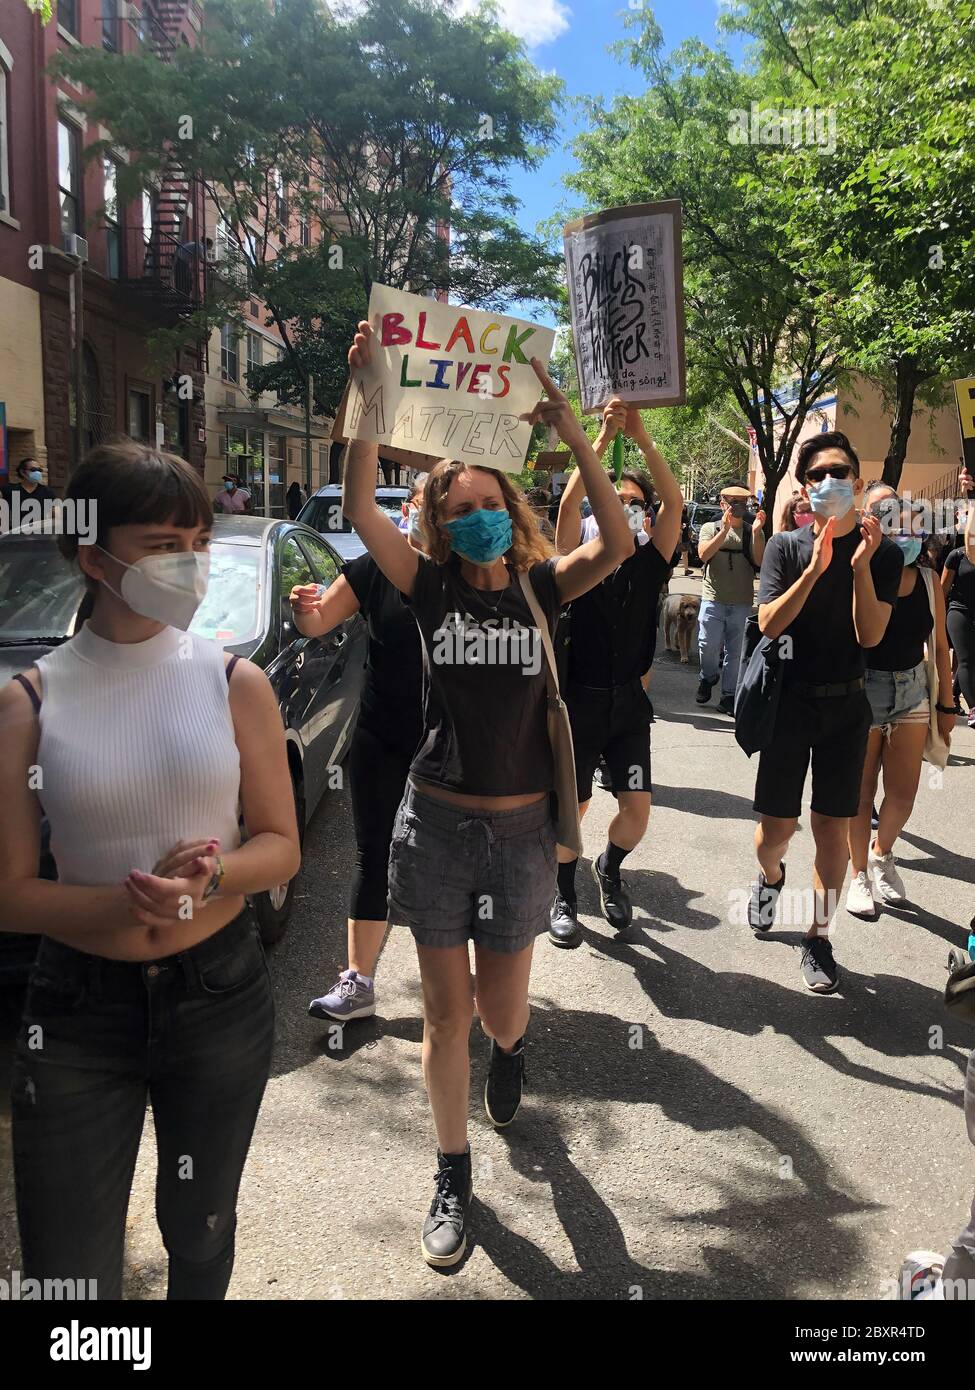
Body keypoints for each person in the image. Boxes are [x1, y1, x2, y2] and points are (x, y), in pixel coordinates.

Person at [341, 319, 632, 1268]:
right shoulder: (425, 588)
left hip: (518, 837)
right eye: (458, 506)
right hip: (434, 826)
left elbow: (621, 540)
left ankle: (513, 1053)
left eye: (488, 503)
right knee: (443, 1013)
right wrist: (368, 394)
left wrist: (575, 431)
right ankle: (452, 1173)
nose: (477, 517)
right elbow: (357, 509)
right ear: (438, 520)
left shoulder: (542, 589)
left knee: (501, 1014)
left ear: (511, 509)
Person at [0, 441, 300, 1300]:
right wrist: (129, 910)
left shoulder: (235, 682)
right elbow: (11, 893)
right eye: (163, 542)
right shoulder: (30, 702)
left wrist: (205, 885)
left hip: (219, 997)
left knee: (200, 1237)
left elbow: (279, 843)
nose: (189, 563)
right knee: (67, 1267)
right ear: (93, 556)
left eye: (198, 540)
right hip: (75, 1012)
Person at [748, 431, 903, 993]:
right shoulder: (784, 548)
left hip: (847, 706)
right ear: (804, 485)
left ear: (857, 482)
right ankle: (771, 879)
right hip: (789, 703)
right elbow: (768, 624)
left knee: (832, 829)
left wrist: (857, 567)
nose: (828, 482)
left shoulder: (882, 553)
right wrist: (814, 569)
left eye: (839, 472)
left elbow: (872, 632)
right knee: (775, 833)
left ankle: (817, 936)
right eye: (816, 475)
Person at [290, 475, 427, 1022]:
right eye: (416, 504)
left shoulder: (468, 578)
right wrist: (303, 608)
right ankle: (358, 982)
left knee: (449, 868)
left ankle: (466, 984)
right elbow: (319, 618)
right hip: (381, 738)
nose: (421, 516)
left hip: (452, 747)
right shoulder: (372, 570)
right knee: (374, 856)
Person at [549, 397, 683, 949]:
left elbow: (674, 499)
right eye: (611, 500)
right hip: (578, 703)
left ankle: (609, 867)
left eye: (630, 502)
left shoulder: (653, 562)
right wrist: (599, 444)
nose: (619, 507)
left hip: (628, 706)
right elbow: (565, 509)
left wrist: (645, 440)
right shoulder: (576, 561)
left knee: (637, 809)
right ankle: (563, 893)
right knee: (572, 808)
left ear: (644, 514)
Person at [846, 484, 955, 917]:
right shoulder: (859, 571)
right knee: (860, 791)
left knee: (904, 793)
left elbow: (942, 646)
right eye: (888, 518)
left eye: (908, 519)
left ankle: (881, 852)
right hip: (864, 688)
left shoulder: (930, 580)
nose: (901, 529)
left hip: (913, 691)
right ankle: (858, 875)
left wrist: (946, 705)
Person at [695, 484, 766, 715]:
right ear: (722, 503)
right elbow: (704, 554)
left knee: (735, 652)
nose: (737, 507)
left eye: (741, 502)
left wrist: (756, 533)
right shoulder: (710, 527)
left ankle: (728, 695)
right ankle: (708, 677)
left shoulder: (752, 530)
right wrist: (724, 531)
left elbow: (760, 561)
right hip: (713, 597)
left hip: (742, 600)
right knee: (707, 645)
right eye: (732, 501)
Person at [942, 480, 975, 729]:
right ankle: (974, 709)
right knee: (964, 659)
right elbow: (942, 591)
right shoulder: (958, 555)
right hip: (959, 610)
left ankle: (954, 692)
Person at [679, 504, 692, 575]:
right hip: (683, 538)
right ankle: (686, 569)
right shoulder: (685, 517)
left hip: (682, 538)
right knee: (684, 555)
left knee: (683, 554)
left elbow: (683, 527)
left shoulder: (682, 517)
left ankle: (686, 569)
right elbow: (683, 527)